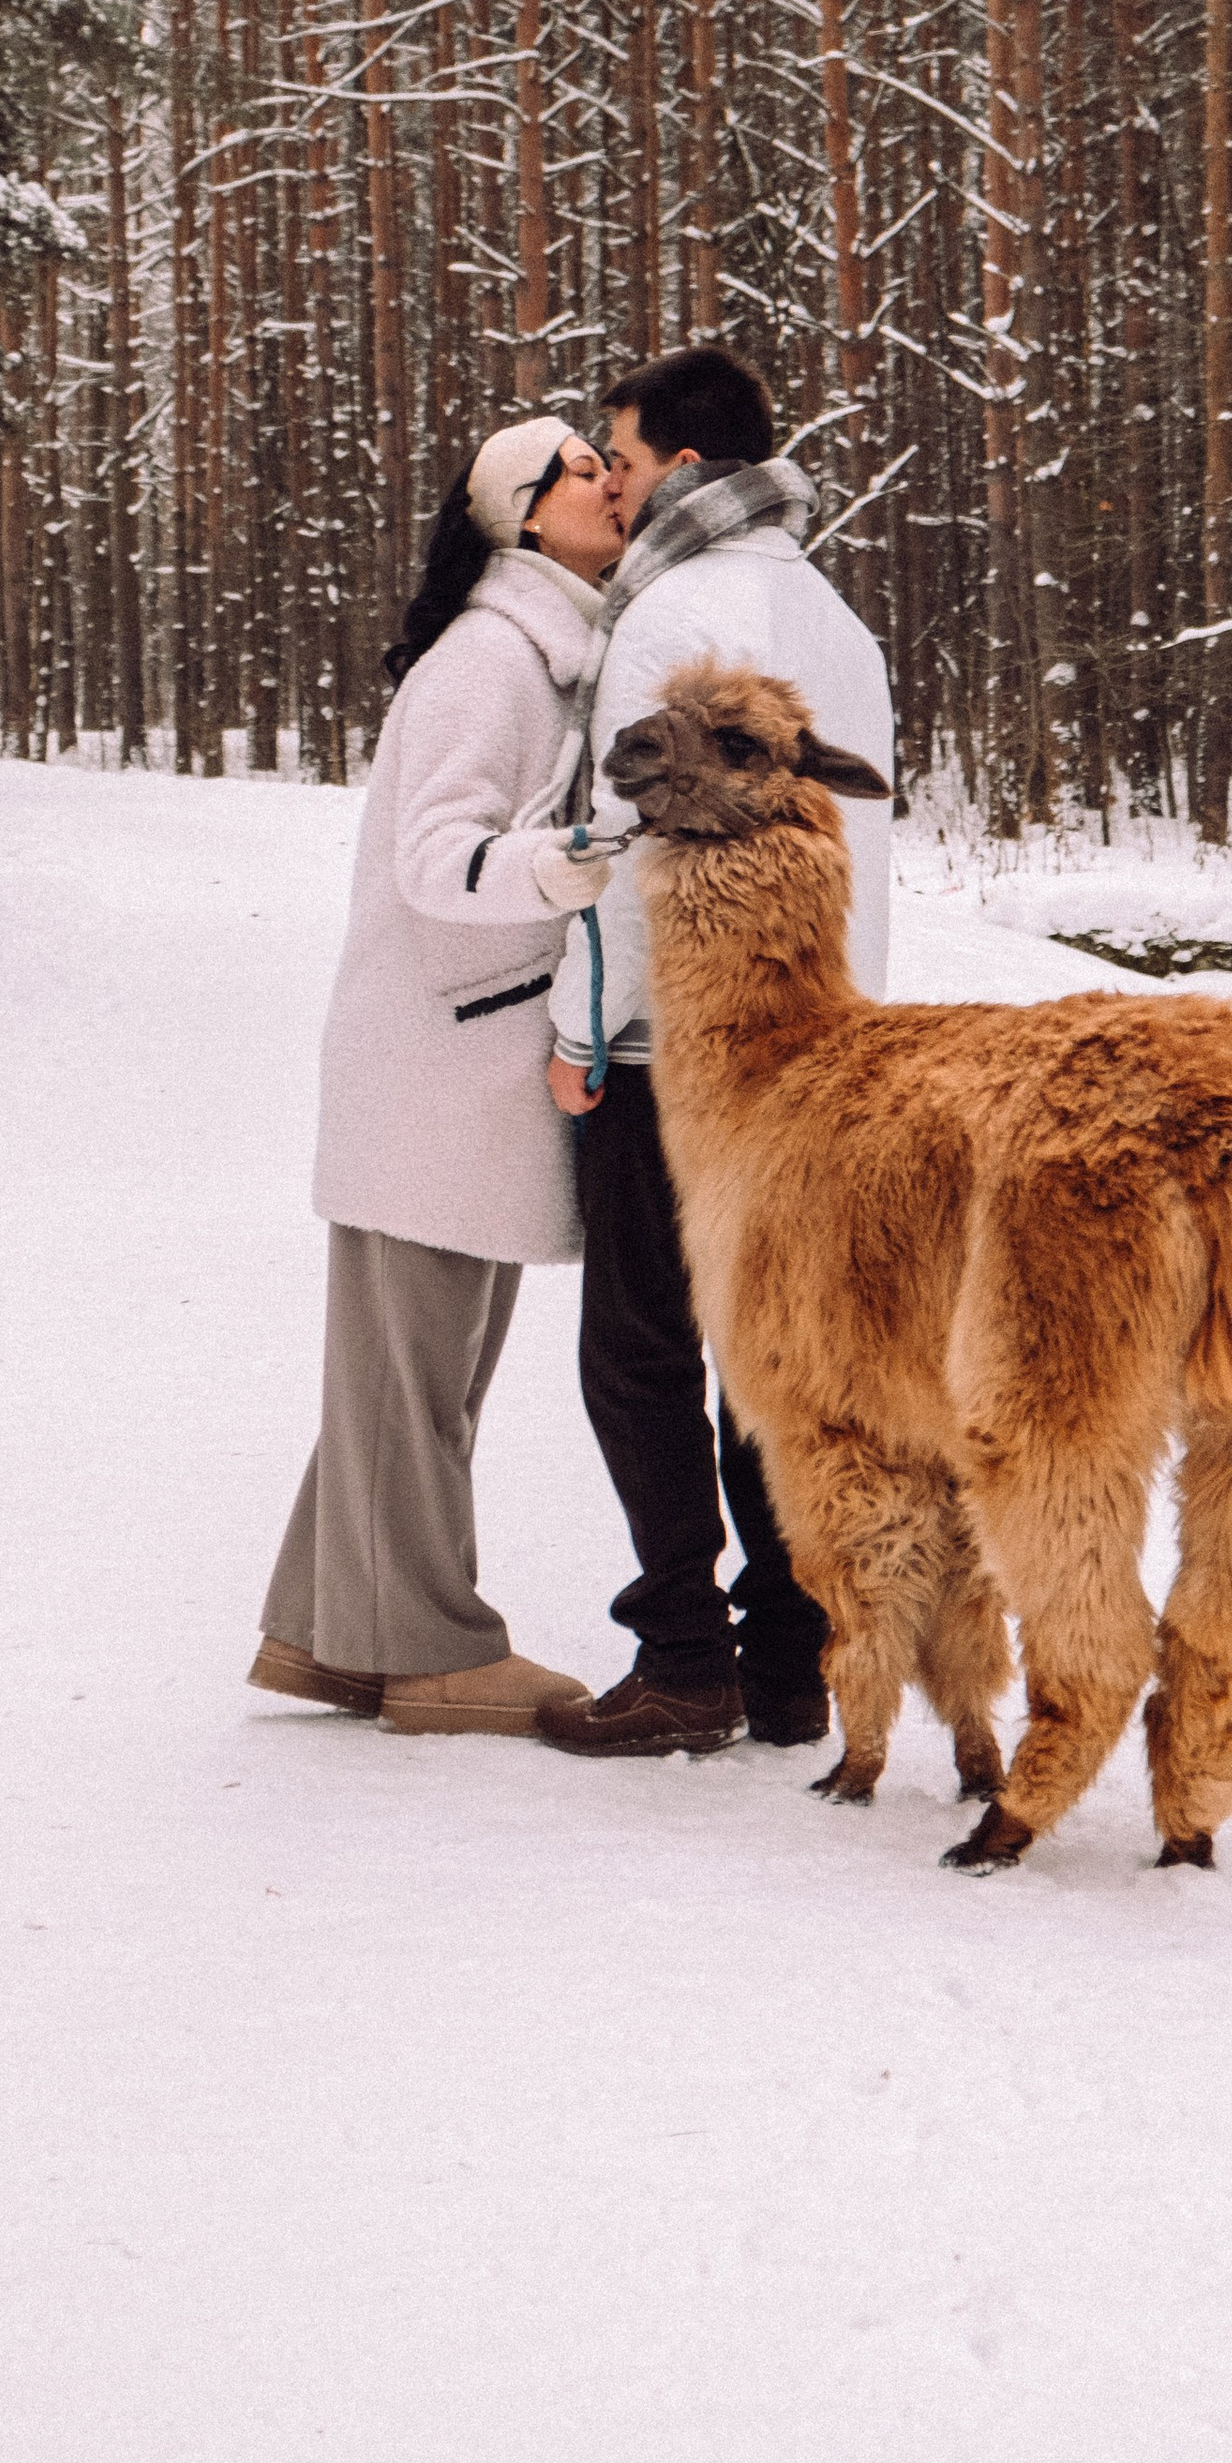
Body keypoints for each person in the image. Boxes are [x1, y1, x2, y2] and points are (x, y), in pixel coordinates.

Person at [533, 348, 895, 1761]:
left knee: (639, 1347)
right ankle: (791, 1657)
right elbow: (858, 836)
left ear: (682, 463)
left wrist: (583, 1031)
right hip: (826, 1041)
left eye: (617, 457)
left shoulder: (671, 608)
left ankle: (683, 1655)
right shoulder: (834, 618)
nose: (608, 483)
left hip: (681, 1045)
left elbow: (627, 844)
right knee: (777, 1354)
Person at [250, 419, 624, 1738]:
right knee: (415, 1386)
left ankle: (326, 1638)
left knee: (406, 1384)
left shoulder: (547, 653)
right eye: (580, 468)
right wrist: (569, 863)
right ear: (523, 516)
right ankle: (429, 1653)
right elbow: (435, 860)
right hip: (432, 1076)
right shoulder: (491, 661)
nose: (609, 480)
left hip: (456, 1069)